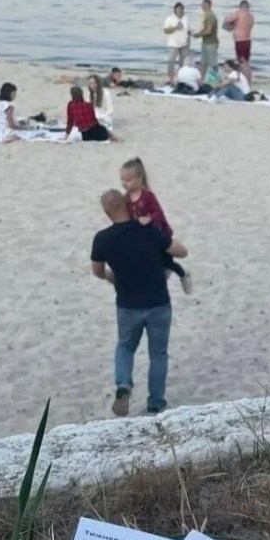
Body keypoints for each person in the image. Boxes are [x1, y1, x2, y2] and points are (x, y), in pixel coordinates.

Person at [91, 189, 188, 417]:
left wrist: (111, 277)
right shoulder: (148, 231)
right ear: (127, 203)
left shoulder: (103, 239)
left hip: (127, 303)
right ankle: (156, 403)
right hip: (158, 303)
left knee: (125, 347)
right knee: (158, 354)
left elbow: (97, 271)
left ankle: (123, 385)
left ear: (106, 212)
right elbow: (181, 252)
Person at [120, 157, 192, 294]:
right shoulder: (126, 199)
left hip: (158, 234)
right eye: (123, 180)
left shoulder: (148, 196)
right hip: (142, 237)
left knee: (168, 263)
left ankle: (183, 275)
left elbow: (158, 213)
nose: (125, 184)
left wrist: (149, 218)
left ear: (140, 178)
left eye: (128, 181)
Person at [223, 0, 255, 85]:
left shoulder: (239, 13)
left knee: (242, 62)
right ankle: (249, 80)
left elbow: (228, 19)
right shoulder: (251, 16)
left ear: (241, 6)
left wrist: (230, 22)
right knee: (246, 62)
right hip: (247, 40)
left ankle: (245, 81)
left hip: (240, 41)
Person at [164, 2, 191, 85]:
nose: (180, 11)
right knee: (171, 61)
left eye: (181, 9)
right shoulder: (170, 19)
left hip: (184, 44)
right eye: (178, 9)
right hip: (173, 44)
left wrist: (189, 41)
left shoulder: (185, 19)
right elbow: (166, 30)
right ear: (175, 10)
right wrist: (176, 27)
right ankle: (170, 78)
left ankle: (181, 78)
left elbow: (188, 31)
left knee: (183, 62)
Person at [193, 0, 219, 78]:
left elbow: (208, 31)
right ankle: (201, 80)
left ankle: (215, 80)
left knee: (212, 63)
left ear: (209, 5)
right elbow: (205, 29)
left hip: (211, 42)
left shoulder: (210, 16)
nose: (203, 7)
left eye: (205, 5)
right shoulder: (206, 15)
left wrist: (197, 35)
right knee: (203, 62)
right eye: (202, 5)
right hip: (205, 42)